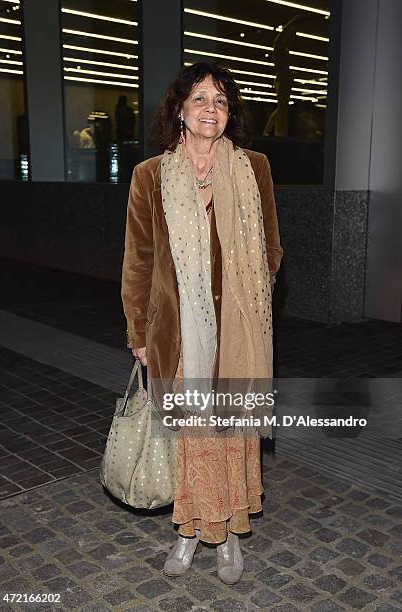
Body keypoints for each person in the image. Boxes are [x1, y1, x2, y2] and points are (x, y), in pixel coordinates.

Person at [121, 62, 284, 584]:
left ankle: (231, 538)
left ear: (229, 112)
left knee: (233, 435)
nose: (210, 108)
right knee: (194, 439)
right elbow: (138, 261)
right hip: (180, 333)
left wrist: (249, 304)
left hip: (239, 333)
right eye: (199, 99)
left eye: (220, 100)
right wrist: (139, 333)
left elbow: (272, 249)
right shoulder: (151, 176)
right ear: (179, 111)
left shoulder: (253, 167)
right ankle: (189, 533)